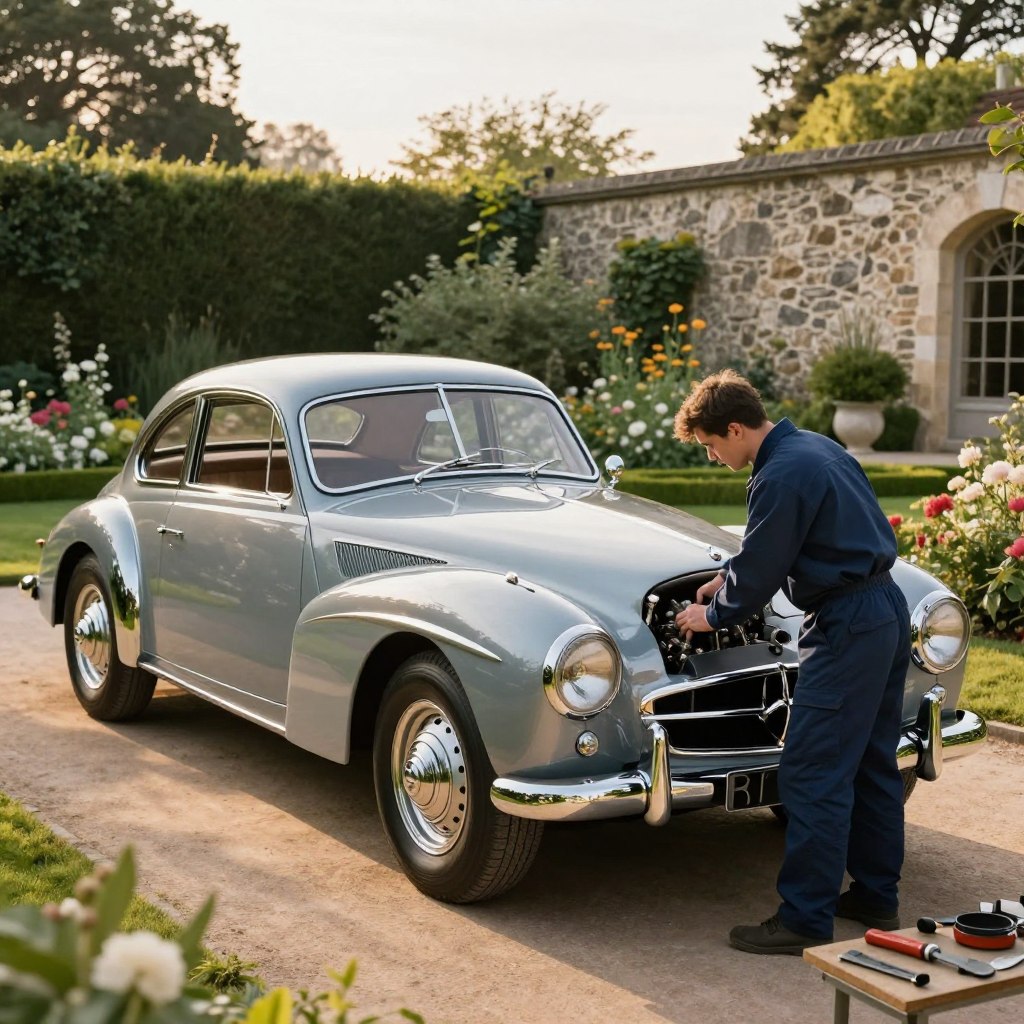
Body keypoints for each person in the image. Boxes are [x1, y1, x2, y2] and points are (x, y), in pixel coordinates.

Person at [673, 369, 910, 955]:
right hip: (885, 608)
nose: (713, 457)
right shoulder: (816, 448)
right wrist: (728, 577)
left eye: (711, 445)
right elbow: (786, 545)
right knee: (872, 761)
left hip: (848, 624)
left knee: (812, 770)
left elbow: (763, 571)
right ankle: (877, 894)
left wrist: (714, 613)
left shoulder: (777, 474)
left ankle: (805, 916)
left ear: (734, 428)